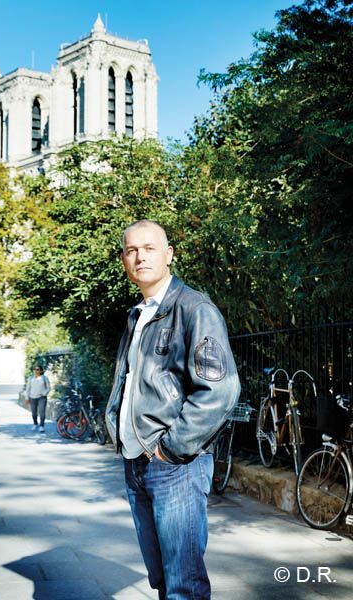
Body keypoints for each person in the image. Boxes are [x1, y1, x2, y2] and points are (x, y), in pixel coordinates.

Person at [105, 220, 240, 600]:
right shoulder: (139, 315)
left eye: (149, 248)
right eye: (131, 250)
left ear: (168, 255)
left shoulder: (194, 308)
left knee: (184, 582)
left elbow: (220, 389)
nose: (139, 256)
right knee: (161, 577)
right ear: (124, 260)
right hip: (136, 460)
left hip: (174, 464)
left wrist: (172, 448)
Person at [26, 365, 50, 433]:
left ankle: (42, 426)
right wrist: (27, 397)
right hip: (32, 397)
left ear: (41, 371)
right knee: (34, 413)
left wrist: (44, 393)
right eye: (35, 369)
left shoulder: (44, 378)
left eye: (38, 369)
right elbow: (28, 388)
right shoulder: (30, 378)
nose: (36, 371)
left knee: (42, 412)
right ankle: (35, 424)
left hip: (41, 397)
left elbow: (48, 387)